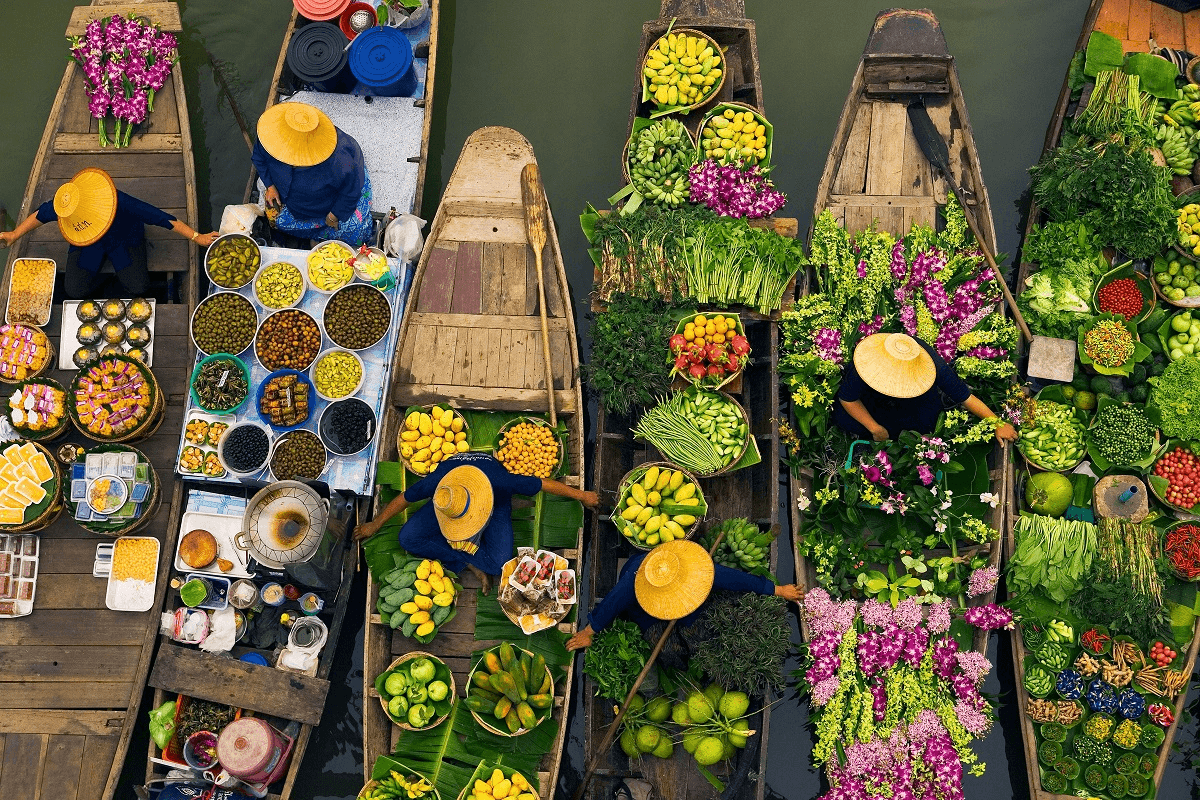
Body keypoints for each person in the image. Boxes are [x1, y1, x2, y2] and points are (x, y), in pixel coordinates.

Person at [353, 451, 599, 593]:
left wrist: (582, 495)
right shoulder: (439, 483)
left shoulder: (501, 481)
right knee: (407, 538)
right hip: (450, 501)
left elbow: (541, 483)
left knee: (498, 564)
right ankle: (467, 559)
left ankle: (465, 556)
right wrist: (375, 523)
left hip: (495, 501)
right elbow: (404, 498)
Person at [0, 167, 217, 298]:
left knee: (138, 286)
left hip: (123, 241)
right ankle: (105, 280)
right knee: (74, 290)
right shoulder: (68, 204)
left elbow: (162, 218)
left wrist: (197, 236)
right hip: (87, 243)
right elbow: (40, 214)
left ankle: (118, 276)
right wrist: (14, 234)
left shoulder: (118, 201)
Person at [565, 539, 804, 651]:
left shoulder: (698, 571)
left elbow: (736, 579)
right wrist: (588, 632)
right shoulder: (633, 583)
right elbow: (611, 604)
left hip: (686, 599)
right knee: (666, 647)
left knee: (698, 628)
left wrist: (778, 590)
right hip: (645, 611)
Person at [832, 332, 1018, 444]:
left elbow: (964, 397)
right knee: (843, 418)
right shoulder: (867, 363)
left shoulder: (931, 364)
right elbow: (847, 398)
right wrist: (875, 429)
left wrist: (997, 423)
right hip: (870, 395)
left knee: (925, 423)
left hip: (913, 399)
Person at [251, 101, 373, 246]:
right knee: (277, 222)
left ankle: (322, 235)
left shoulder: (338, 158)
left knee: (355, 230)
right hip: (296, 205)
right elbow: (259, 158)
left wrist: (334, 216)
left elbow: (351, 189)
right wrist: (270, 185)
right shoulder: (271, 138)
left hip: (325, 205)